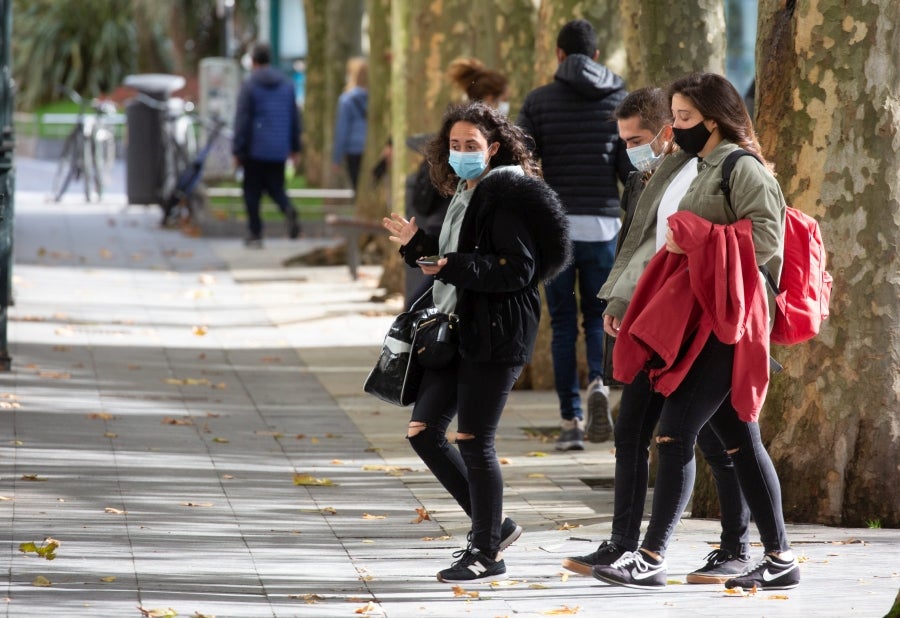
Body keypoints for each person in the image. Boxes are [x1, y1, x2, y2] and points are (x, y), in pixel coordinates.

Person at [590, 72, 799, 591]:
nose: (676, 127)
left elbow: (767, 242)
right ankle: (780, 560)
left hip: (728, 323)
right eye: (675, 117)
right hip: (695, 320)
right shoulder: (698, 164)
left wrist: (700, 240)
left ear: (713, 118)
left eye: (683, 118)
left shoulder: (743, 167)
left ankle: (651, 555)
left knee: (675, 431)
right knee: (741, 442)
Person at [562, 87, 753, 585]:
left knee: (719, 437)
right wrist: (621, 302)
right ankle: (625, 543)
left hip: (703, 323)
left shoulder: (724, 169)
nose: (632, 148)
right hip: (653, 319)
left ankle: (738, 548)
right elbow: (640, 245)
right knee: (635, 430)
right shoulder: (655, 173)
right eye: (624, 140)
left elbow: (753, 246)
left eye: (640, 137)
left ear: (673, 128)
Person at [381, 102, 570, 582]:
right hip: (456, 326)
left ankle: (486, 550)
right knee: (423, 431)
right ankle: (495, 527)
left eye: (471, 146)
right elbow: (457, 260)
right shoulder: (466, 192)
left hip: (497, 330)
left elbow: (517, 269)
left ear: (494, 149)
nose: (461, 153)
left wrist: (449, 264)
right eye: (455, 145)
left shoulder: (503, 195)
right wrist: (419, 247)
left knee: (473, 439)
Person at [517, 19, 632, 451]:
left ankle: (570, 421)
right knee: (599, 316)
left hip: (556, 230)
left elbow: (523, 160)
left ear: (559, 56)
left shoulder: (539, 101)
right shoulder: (619, 100)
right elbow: (628, 172)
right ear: (598, 57)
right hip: (604, 227)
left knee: (563, 323)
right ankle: (599, 382)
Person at [232, 42, 301, 248]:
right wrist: (294, 148)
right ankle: (288, 208)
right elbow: (294, 118)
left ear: (253, 61)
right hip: (279, 148)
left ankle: (255, 232)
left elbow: (242, 119)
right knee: (276, 188)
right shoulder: (287, 85)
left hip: (255, 148)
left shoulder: (250, 85)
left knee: (251, 191)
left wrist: (238, 149)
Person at [332, 57, 368, 191]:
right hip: (372, 149)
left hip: (354, 149)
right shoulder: (373, 98)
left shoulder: (346, 100)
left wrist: (337, 158)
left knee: (357, 187)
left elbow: (342, 130)